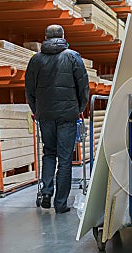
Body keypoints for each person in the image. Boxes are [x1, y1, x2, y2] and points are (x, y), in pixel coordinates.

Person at [25, 25, 89, 214]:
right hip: (67, 115)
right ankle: (60, 204)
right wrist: (78, 109)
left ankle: (46, 192)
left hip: (45, 114)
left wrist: (37, 110)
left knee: (49, 153)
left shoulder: (36, 60)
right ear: (63, 36)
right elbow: (83, 86)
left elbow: (29, 89)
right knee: (65, 159)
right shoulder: (73, 57)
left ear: (45, 37)